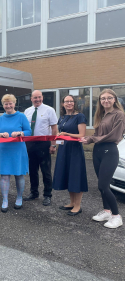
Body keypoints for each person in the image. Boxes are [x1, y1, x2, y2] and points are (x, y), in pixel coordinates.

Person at [81, 89, 125, 229]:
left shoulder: (119, 114)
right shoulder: (101, 114)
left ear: (114, 99)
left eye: (109, 98)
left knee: (103, 185)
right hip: (98, 150)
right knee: (101, 184)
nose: (106, 100)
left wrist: (91, 139)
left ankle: (116, 216)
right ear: (100, 101)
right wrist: (90, 139)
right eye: (103, 98)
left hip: (109, 151)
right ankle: (107, 211)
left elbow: (114, 135)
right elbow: (97, 133)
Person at [0, 94, 31, 213]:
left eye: (10, 103)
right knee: (4, 175)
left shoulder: (21, 116)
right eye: (6, 103)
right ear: (3, 105)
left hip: (18, 150)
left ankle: (19, 198)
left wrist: (20, 133)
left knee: (19, 174)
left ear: (14, 104)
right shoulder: (0, 118)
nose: (8, 106)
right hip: (4, 150)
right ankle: (5, 200)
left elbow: (29, 131)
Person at [53, 95, 88, 216]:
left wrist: (66, 133)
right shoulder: (62, 117)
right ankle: (72, 203)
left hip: (75, 150)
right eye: (66, 101)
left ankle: (78, 206)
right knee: (68, 175)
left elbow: (82, 135)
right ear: (63, 104)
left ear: (74, 103)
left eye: (71, 101)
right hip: (63, 149)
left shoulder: (79, 116)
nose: (69, 103)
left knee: (76, 175)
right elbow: (59, 132)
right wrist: (58, 137)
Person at [24, 90, 58, 206]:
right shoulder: (27, 111)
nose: (37, 99)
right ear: (31, 99)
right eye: (35, 98)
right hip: (30, 144)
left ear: (42, 98)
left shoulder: (49, 110)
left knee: (46, 171)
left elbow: (54, 128)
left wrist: (53, 144)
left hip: (44, 144)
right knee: (32, 170)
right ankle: (34, 193)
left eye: (39, 97)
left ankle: (47, 195)